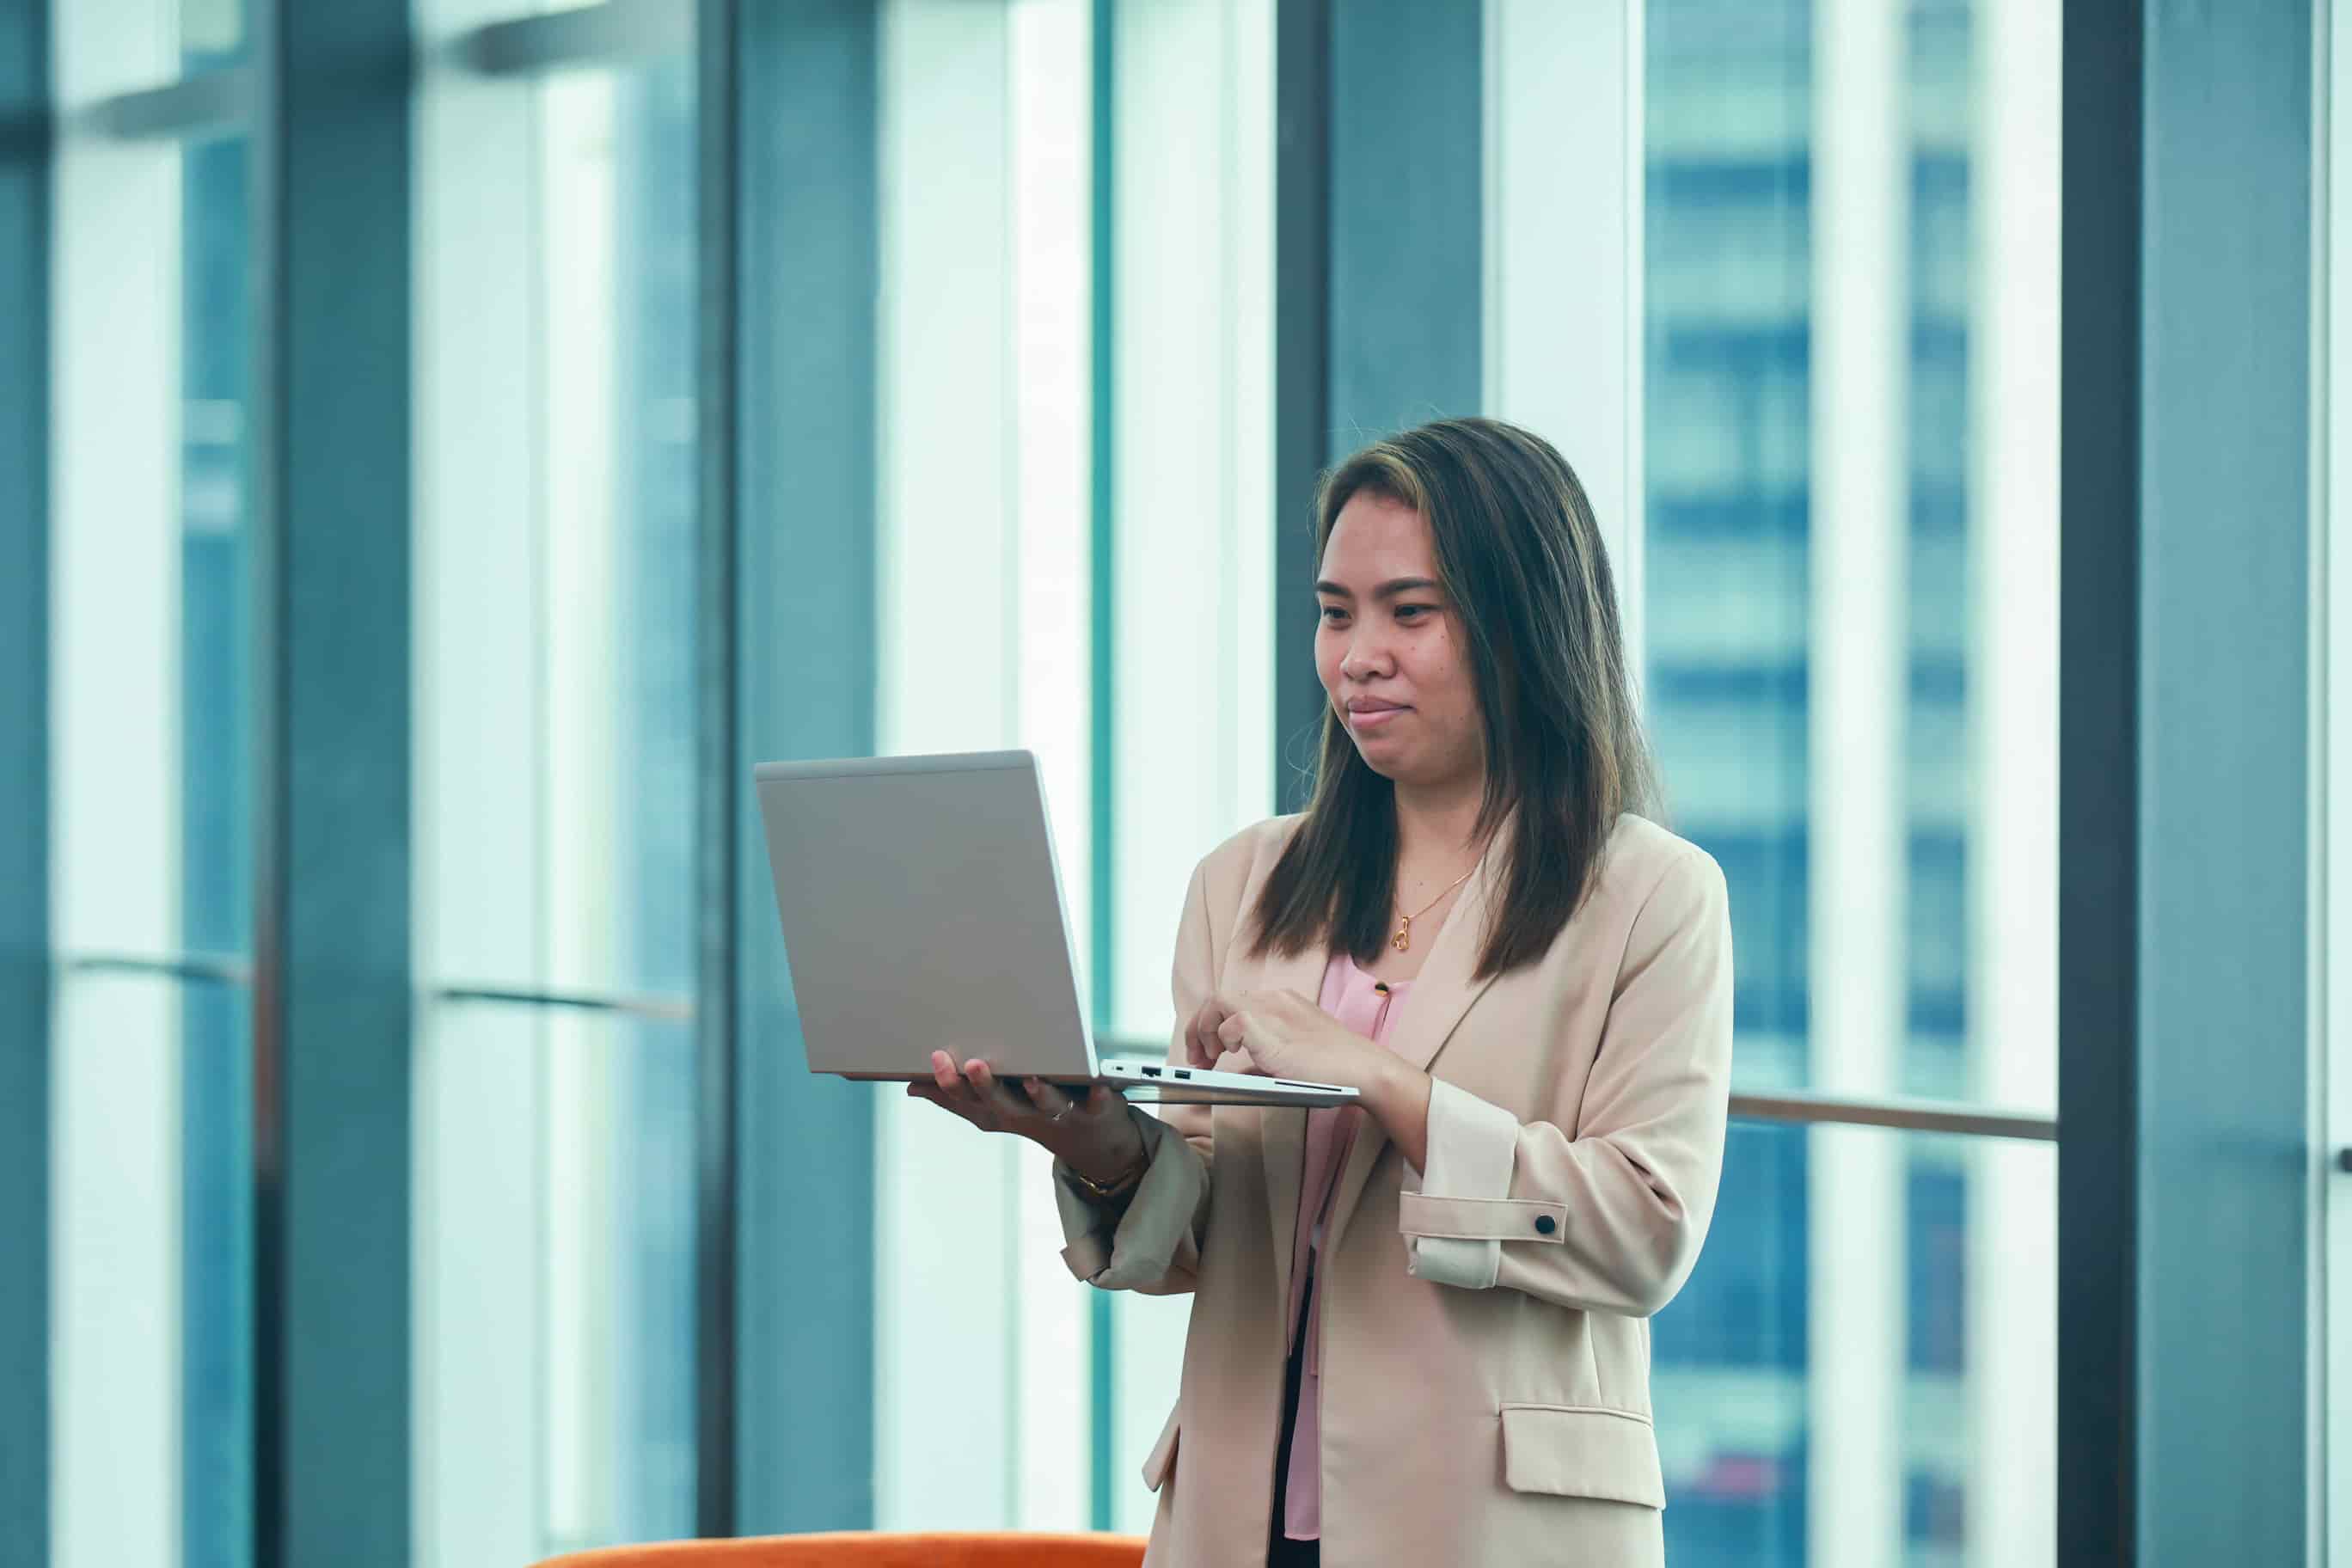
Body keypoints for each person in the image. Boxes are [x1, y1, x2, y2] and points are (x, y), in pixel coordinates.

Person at [910, 417, 1733, 1566]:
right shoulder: (1244, 885)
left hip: (1489, 1526)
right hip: (1242, 1515)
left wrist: (1380, 1083)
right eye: (1335, 611)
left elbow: (1643, 1234)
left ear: (1523, 625)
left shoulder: (1650, 895)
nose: (1357, 655)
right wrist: (1100, 1143)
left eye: (1411, 611)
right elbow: (1200, 1239)